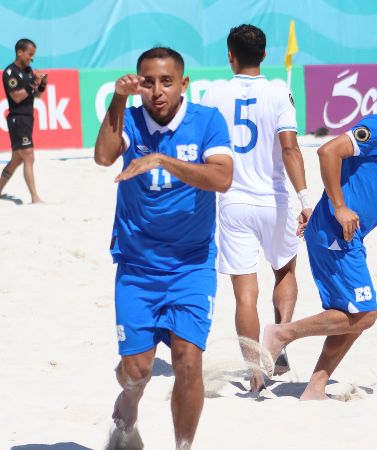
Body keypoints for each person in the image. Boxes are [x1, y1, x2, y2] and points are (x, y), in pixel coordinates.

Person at [262, 65, 377, 401]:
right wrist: (340, 206)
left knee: (351, 317)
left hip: (346, 235)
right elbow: (327, 151)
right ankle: (282, 333)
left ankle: (315, 388)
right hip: (335, 231)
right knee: (365, 313)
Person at [94, 47, 233, 449]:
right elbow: (104, 156)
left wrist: (162, 160)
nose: (157, 91)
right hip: (137, 265)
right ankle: (129, 401)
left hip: (192, 264)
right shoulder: (130, 118)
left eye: (166, 82)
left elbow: (223, 178)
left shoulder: (207, 120)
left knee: (188, 361)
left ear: (183, 84)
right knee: (136, 372)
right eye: (148, 82)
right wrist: (118, 99)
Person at [199, 24, 312, 392]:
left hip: (232, 202)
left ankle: (253, 375)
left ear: (229, 55)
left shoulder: (213, 93)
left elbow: (199, 149)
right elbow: (291, 149)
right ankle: (278, 338)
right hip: (275, 200)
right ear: (264, 55)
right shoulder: (279, 91)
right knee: (285, 272)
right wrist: (306, 200)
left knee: (245, 294)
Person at [0, 38, 47, 203]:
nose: (32, 58)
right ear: (20, 52)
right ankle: (35, 197)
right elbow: (16, 97)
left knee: (17, 159)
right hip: (18, 118)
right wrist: (33, 83)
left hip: (28, 117)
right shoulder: (9, 72)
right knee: (29, 156)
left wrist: (42, 84)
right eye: (30, 54)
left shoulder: (28, 71)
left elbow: (37, 95)